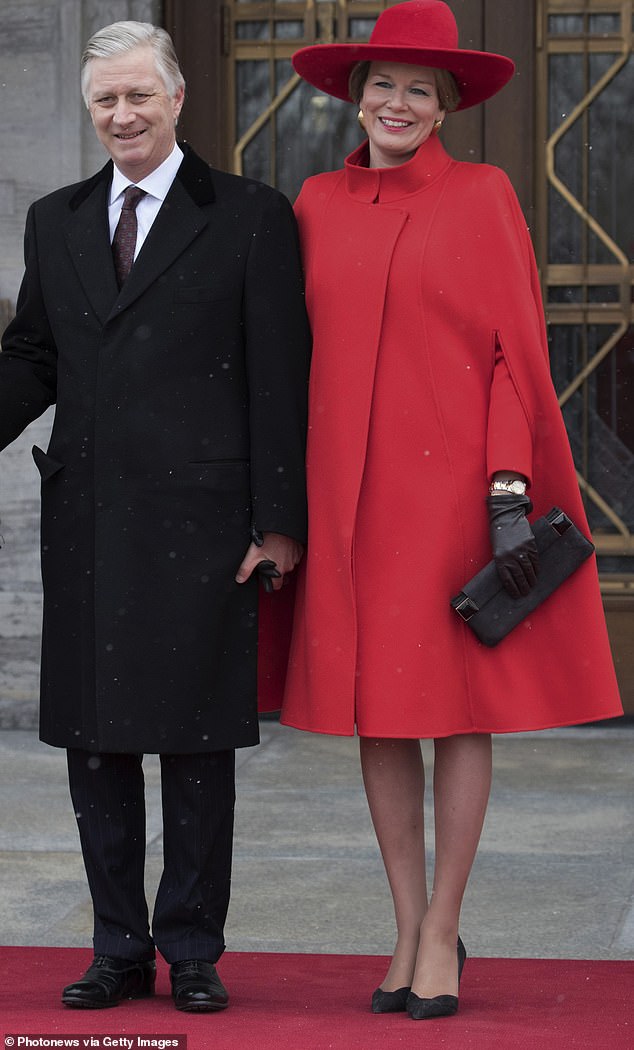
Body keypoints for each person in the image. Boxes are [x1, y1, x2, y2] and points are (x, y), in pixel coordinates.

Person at [280, 0, 622, 1021]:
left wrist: (507, 490)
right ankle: (403, 923)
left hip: (450, 497)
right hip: (345, 493)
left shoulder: (483, 196)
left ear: (445, 107)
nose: (396, 102)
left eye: (417, 90)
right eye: (381, 83)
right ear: (356, 94)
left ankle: (444, 928)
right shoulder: (310, 202)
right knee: (375, 712)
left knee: (452, 709)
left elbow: (515, 355)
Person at [0, 21, 310, 1012]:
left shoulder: (251, 216)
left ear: (178, 99)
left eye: (139, 95)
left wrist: (276, 521)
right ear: (91, 111)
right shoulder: (55, 219)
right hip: (89, 518)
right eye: (104, 100)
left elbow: (277, 378)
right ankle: (117, 949)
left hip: (205, 523)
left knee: (194, 743)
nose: (122, 115)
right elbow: (36, 357)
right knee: (94, 743)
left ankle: (193, 948)